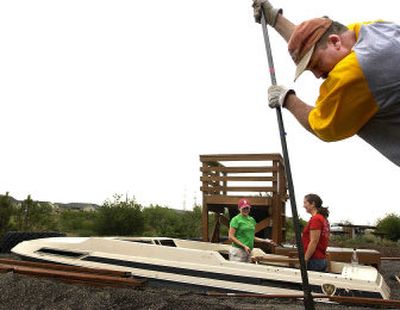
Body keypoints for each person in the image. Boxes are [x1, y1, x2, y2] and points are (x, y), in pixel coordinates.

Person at [252, 0, 400, 167]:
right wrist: (275, 20)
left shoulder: (358, 71)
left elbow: (320, 125)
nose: (317, 75)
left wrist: (286, 99)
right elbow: (317, 41)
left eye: (315, 65)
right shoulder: (374, 30)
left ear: (336, 42)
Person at [228, 198, 276, 262]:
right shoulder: (235, 219)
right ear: (239, 209)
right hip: (238, 251)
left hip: (248, 251)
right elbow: (231, 237)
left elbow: (251, 237)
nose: (246, 210)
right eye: (243, 208)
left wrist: (265, 240)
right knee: (237, 271)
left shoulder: (251, 220)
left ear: (250, 208)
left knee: (247, 271)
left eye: (247, 208)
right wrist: (244, 246)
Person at [301, 194, 330, 272]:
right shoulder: (323, 219)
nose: (303, 206)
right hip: (320, 259)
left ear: (313, 204)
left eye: (305, 203)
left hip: (314, 260)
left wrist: (305, 259)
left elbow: (314, 241)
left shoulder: (316, 219)